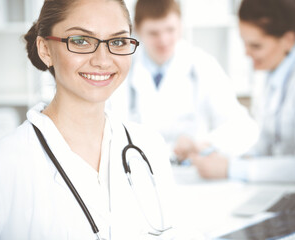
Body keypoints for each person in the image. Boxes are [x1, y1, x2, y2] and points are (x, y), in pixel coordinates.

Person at [0, 0, 177, 239]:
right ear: (45, 49)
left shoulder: (150, 147)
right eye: (81, 41)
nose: (103, 59)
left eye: (117, 41)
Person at [190, 0, 295, 183]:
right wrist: (223, 156)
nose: (246, 53)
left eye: (256, 46)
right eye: (245, 43)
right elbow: (266, 146)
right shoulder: (275, 72)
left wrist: (231, 168)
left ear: (288, 40)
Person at [107, 0, 259, 166]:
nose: (163, 40)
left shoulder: (203, 65)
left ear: (181, 25)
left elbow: (243, 127)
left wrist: (204, 143)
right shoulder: (120, 68)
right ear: (137, 30)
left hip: (191, 174)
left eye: (170, 30)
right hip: (136, 171)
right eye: (153, 33)